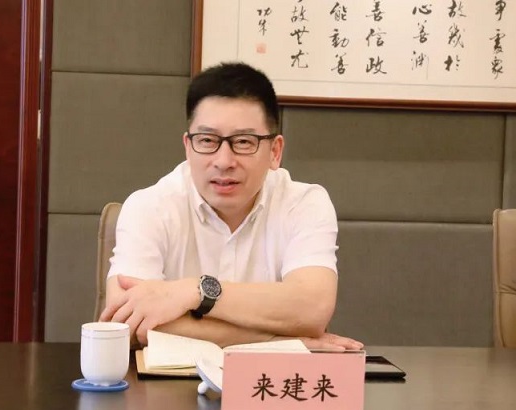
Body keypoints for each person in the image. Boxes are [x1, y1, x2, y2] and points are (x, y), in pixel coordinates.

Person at [100, 62, 362, 351]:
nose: (224, 161)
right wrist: (277, 339)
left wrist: (194, 291)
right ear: (188, 147)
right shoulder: (148, 207)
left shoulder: (304, 204)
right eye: (207, 140)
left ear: (275, 152)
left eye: (244, 142)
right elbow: (127, 320)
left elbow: (312, 310)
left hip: (273, 380)